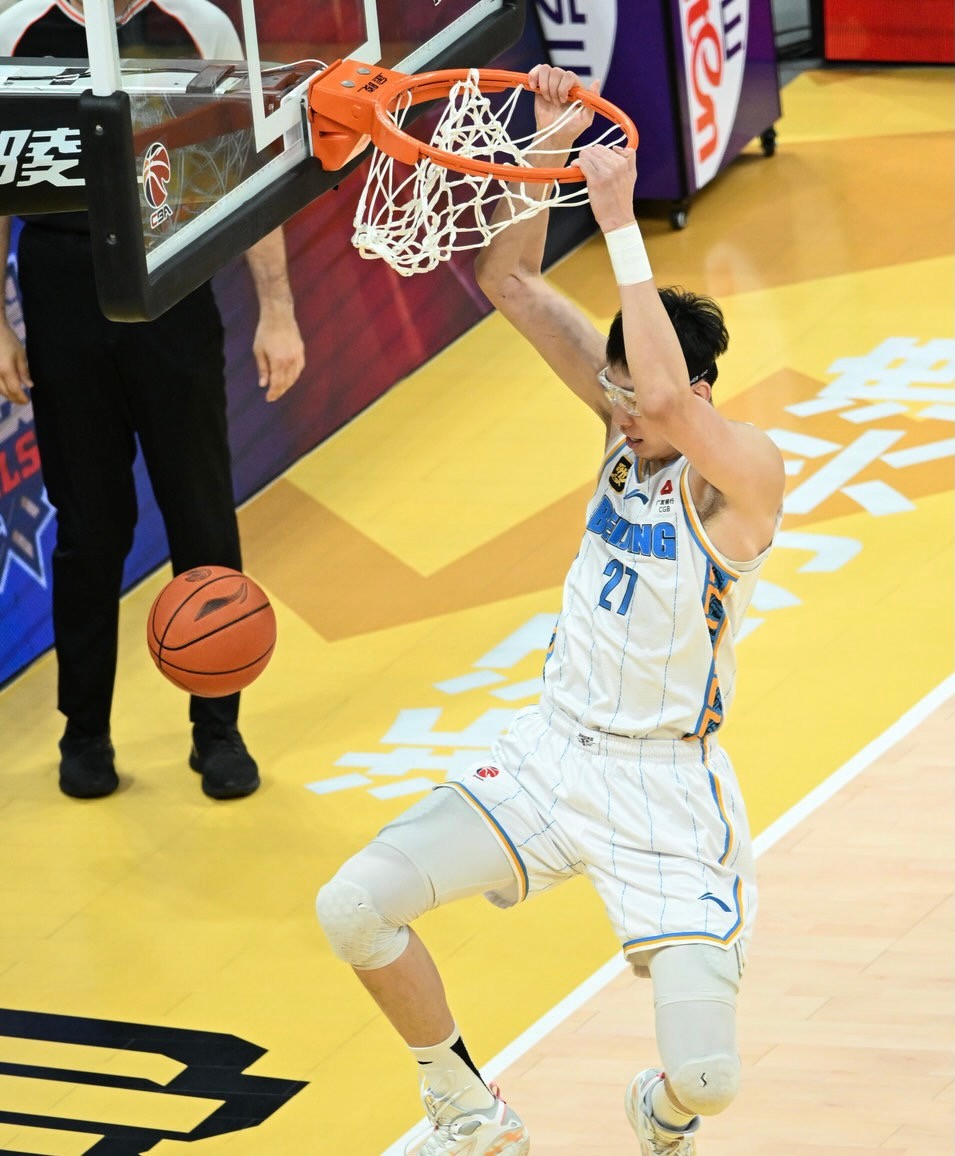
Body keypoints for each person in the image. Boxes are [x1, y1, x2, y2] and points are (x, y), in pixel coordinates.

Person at [315, 64, 785, 1156]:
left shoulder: (743, 475)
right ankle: (466, 1106)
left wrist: (617, 221)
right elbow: (511, 278)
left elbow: (662, 396)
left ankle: (657, 1111)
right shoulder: (623, 421)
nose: (620, 410)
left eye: (636, 394)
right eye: (608, 390)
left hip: (665, 789)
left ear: (701, 397)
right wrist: (543, 145)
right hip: (552, 752)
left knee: (708, 1081)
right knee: (353, 905)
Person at [0, 0, 306, 801]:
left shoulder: (198, 23)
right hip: (62, 284)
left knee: (201, 512)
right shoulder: (15, 29)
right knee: (89, 528)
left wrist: (277, 309)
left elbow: (247, 169)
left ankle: (218, 729)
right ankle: (84, 732)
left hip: (171, 273)